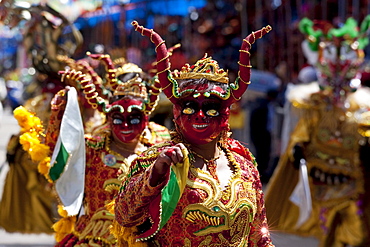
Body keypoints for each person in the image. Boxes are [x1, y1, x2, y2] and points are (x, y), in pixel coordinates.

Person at [112, 21, 274, 247]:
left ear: (225, 114)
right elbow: (124, 216)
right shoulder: (155, 161)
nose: (200, 115)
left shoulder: (244, 165)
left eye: (210, 108)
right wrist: (156, 174)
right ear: (176, 112)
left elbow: (260, 235)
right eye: (189, 107)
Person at [42, 55, 171, 246]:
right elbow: (58, 161)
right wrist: (60, 115)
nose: (126, 125)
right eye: (118, 119)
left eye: (134, 118)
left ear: (146, 116)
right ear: (108, 117)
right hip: (98, 237)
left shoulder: (161, 143)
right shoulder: (92, 146)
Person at [265, 16, 370, 247]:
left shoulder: (364, 103)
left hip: (353, 179)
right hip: (321, 178)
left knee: (358, 233)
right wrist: (297, 151)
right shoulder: (313, 103)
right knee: (326, 231)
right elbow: (301, 134)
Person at [0, 3, 82, 234]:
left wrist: (50, 23)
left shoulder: (67, 74)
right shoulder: (42, 75)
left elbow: (59, 43)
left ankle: (65, 223)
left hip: (61, 133)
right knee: (31, 173)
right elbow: (31, 46)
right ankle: (52, 223)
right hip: (40, 136)